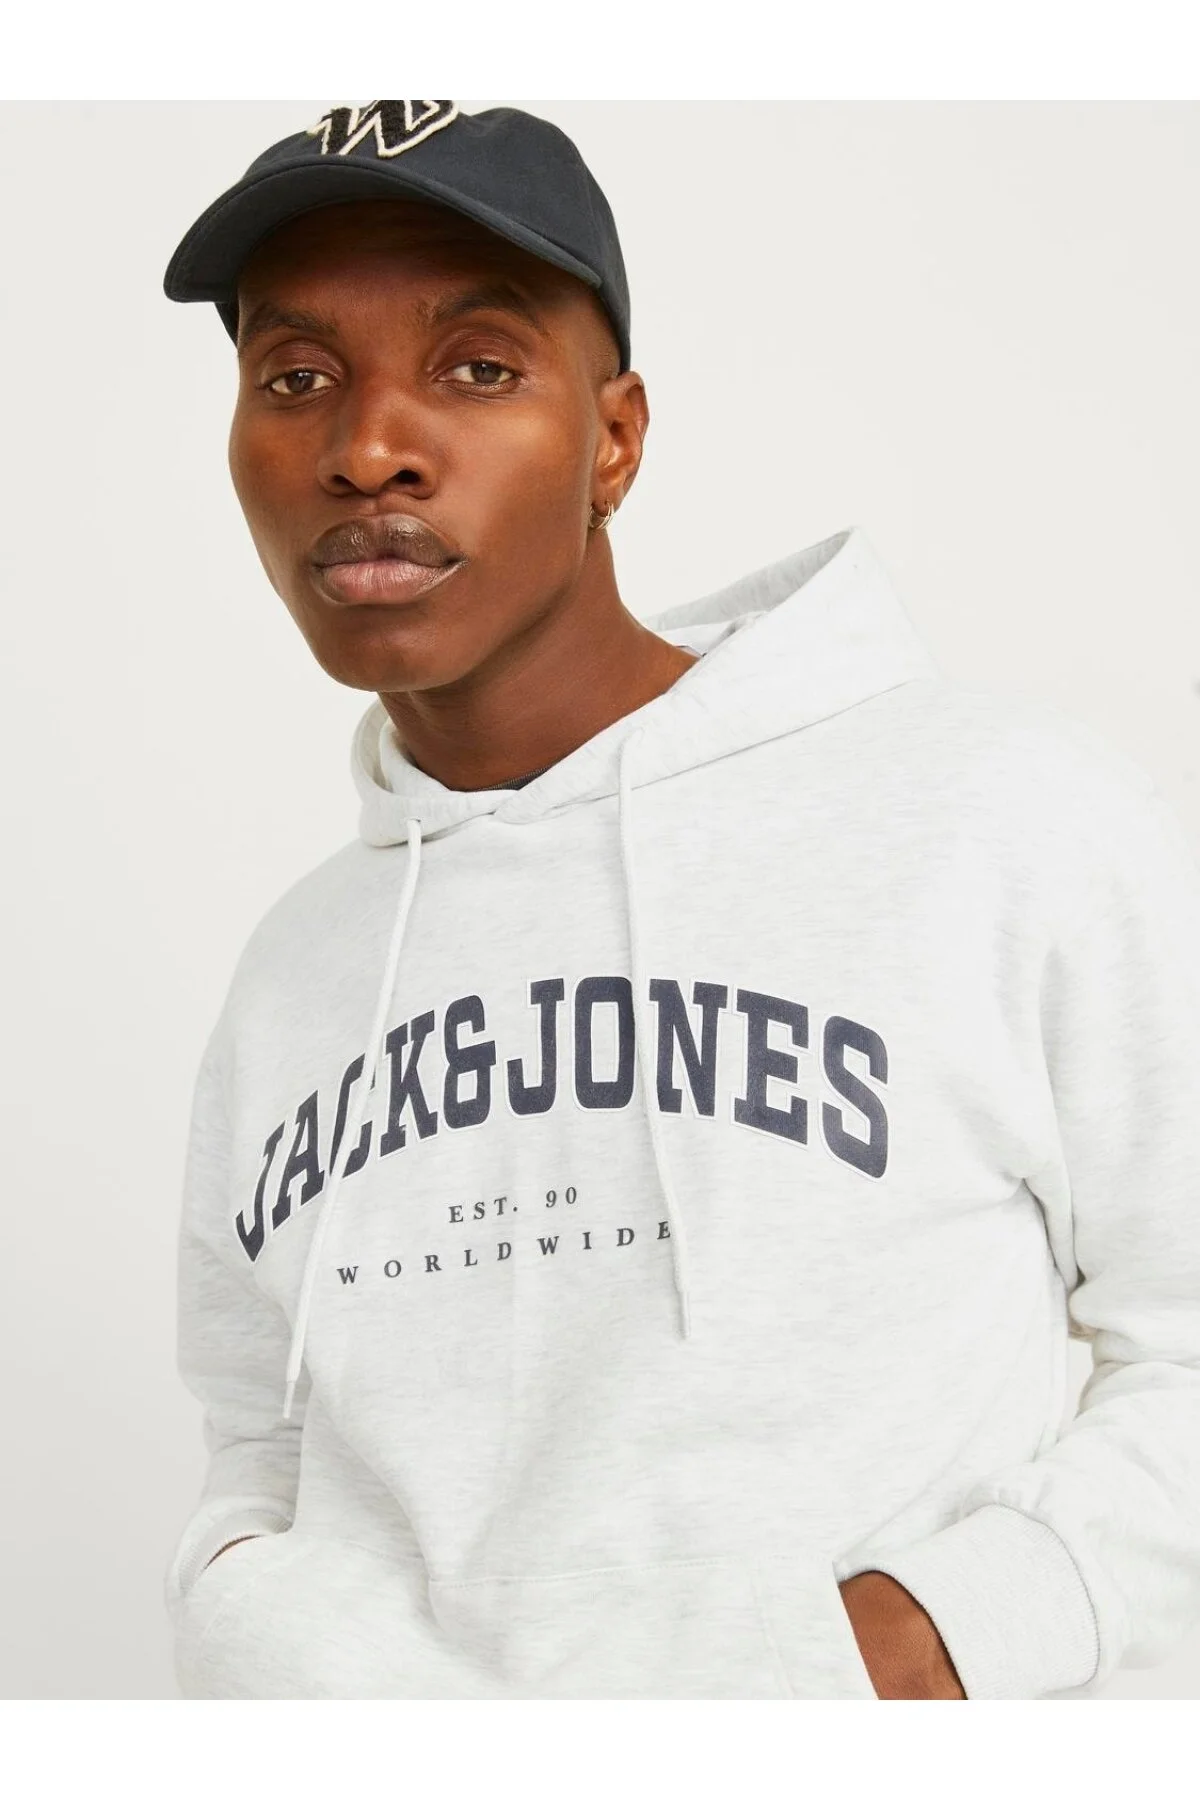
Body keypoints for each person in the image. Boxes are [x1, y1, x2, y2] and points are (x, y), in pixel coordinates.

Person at [160, 99, 1200, 1701]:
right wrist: (258, 1629)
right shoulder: (292, 968)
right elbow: (259, 1452)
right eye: (296, 378)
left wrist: (918, 1647)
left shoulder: (1000, 814)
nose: (367, 448)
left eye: (477, 367)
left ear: (616, 440)